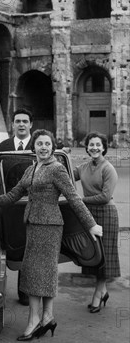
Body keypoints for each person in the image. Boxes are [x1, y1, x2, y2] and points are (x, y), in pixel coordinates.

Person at [0, 129, 102, 341]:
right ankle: (45, 318)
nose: (43, 147)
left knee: (42, 272)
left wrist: (91, 226)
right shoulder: (31, 169)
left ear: (53, 147)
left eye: (47, 144)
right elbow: (13, 195)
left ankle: (38, 319)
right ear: (33, 147)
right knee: (35, 273)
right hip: (33, 226)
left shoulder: (57, 169)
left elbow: (74, 198)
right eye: (40, 144)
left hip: (50, 227)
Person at [73, 131, 120, 313]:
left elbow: (105, 196)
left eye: (98, 145)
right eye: (91, 145)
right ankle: (103, 290)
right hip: (89, 214)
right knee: (93, 254)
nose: (94, 148)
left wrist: (80, 201)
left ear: (104, 148)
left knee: (104, 255)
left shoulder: (108, 168)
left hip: (106, 213)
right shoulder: (83, 167)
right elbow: (68, 175)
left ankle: (98, 294)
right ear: (87, 148)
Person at [0, 108, 33, 306]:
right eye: (18, 121)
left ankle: (25, 291)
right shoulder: (2, 147)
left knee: (29, 248)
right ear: (13, 124)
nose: (21, 124)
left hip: (33, 205)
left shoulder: (40, 145)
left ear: (30, 125)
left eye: (25, 121)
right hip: (9, 207)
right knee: (6, 247)